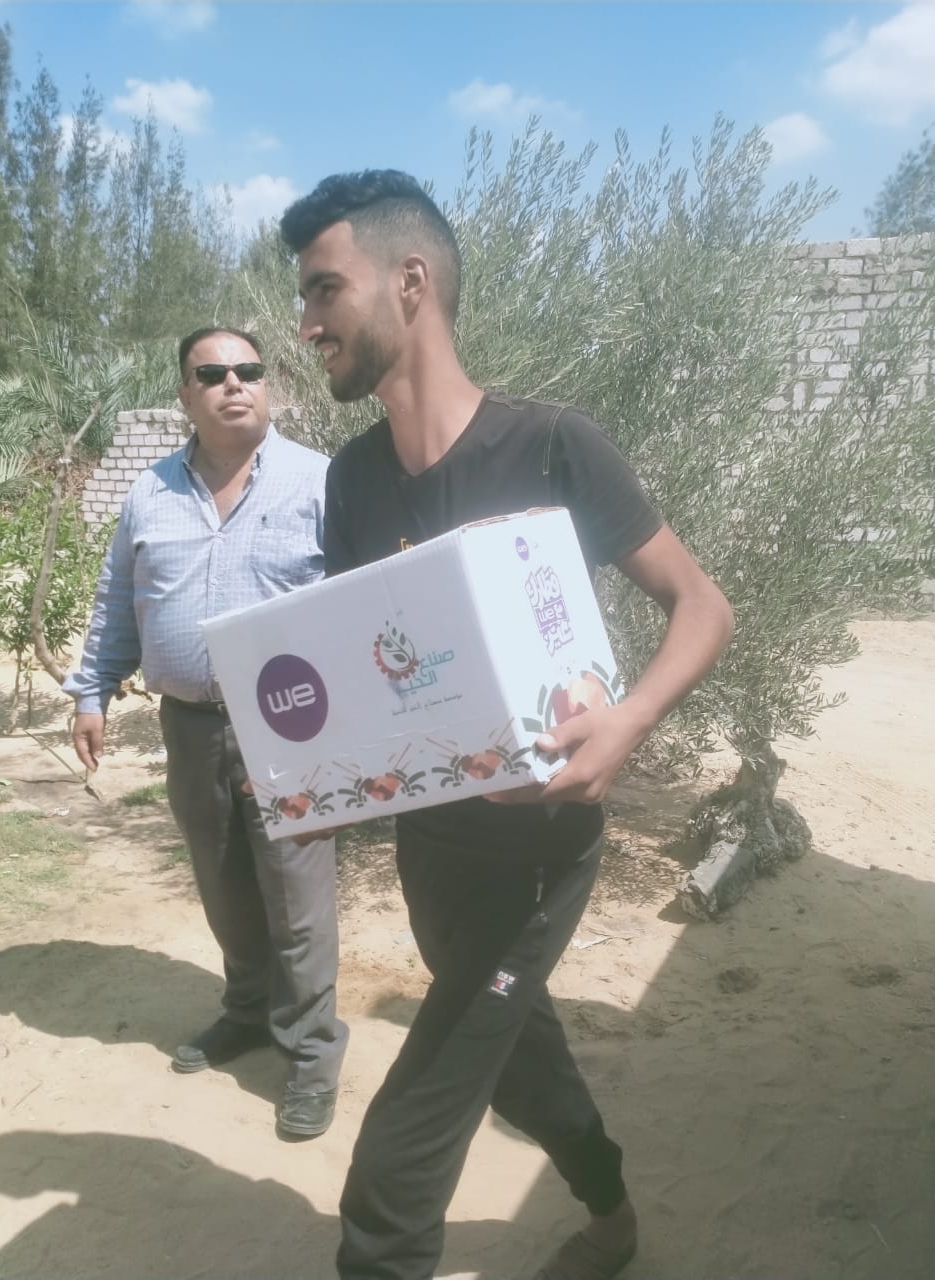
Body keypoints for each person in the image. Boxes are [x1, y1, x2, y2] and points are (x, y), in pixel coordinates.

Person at [280, 171, 734, 1280]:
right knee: (514, 1045)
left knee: (402, 1150)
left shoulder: (551, 446)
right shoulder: (353, 480)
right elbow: (367, 672)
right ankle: (611, 1214)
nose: (307, 323)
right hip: (433, 849)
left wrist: (628, 721)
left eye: (325, 289)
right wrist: (315, 781)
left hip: (540, 851)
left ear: (410, 282)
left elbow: (702, 605)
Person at [64, 327, 348, 1140]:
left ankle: (311, 1053)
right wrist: (91, 691)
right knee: (223, 885)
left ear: (269, 386)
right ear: (185, 395)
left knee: (297, 899)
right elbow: (120, 598)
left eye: (249, 370)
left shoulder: (321, 482)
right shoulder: (150, 492)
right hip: (188, 725)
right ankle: (248, 1012)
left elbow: (358, 602)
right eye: (213, 373)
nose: (234, 383)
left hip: (292, 723)